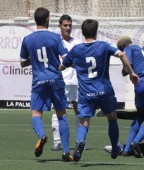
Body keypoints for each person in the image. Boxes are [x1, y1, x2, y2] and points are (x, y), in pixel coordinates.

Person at [59, 19, 139, 162]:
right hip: (104, 91)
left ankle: (80, 142)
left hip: (86, 93)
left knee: (84, 121)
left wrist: (74, 66)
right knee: (112, 117)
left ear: (82, 33)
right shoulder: (103, 46)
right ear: (96, 31)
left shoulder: (76, 50)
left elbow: (63, 66)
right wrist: (131, 72)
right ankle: (115, 147)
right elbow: (121, 54)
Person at [20, 7, 72, 161]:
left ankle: (42, 136)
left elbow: (23, 63)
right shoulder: (55, 38)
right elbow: (66, 58)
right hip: (55, 79)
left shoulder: (27, 39)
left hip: (39, 81)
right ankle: (66, 152)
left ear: (36, 20)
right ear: (48, 19)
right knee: (61, 114)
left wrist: (34, 59)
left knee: (36, 114)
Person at [51, 14, 82, 151]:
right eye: (65, 25)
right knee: (57, 110)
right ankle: (57, 141)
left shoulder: (77, 43)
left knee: (79, 110)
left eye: (70, 25)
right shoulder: (55, 42)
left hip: (75, 81)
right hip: (60, 81)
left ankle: (79, 141)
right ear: (60, 26)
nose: (68, 28)